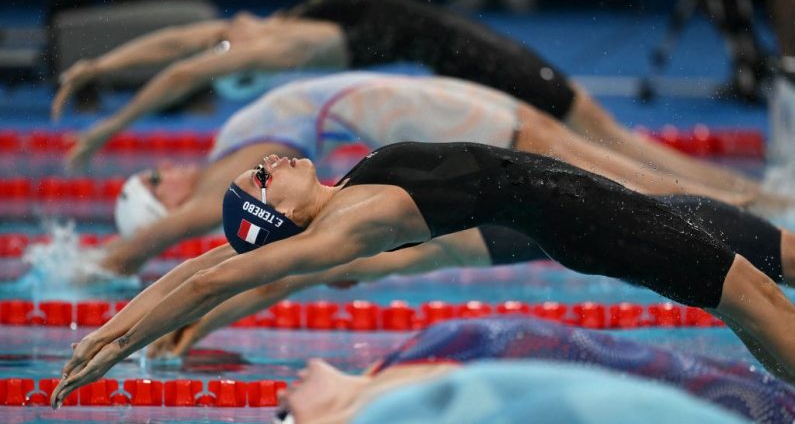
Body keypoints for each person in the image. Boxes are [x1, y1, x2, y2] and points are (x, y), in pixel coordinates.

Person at [50, 142, 795, 408]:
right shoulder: (346, 225)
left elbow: (206, 265)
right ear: (278, 218)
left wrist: (112, 323)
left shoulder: (350, 190)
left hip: (587, 210)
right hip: (598, 222)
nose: (270, 162)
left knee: (751, 305)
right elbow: (218, 281)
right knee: (756, 297)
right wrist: (112, 345)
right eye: (262, 178)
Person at [53, 0, 763, 199]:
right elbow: (177, 49)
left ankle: (752, 200)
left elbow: (181, 71)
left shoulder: (278, 44)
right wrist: (96, 69)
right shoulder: (273, 24)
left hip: (486, 63)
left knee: (616, 147)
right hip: (467, 60)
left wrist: (101, 131)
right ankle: (753, 196)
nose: (222, 52)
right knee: (615, 149)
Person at [101, 72, 760, 276]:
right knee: (661, 195)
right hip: (491, 135)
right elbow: (224, 247)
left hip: (485, 128)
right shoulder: (255, 178)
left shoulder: (263, 166)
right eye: (153, 185)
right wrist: (110, 266)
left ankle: (759, 197)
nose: (164, 168)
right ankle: (762, 198)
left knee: (655, 184)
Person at [146, 193, 794, 359]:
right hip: (669, 224)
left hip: (681, 227)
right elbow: (271, 277)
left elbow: (269, 280)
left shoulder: (370, 237)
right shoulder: (382, 226)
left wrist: (181, 330)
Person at [278, 317, 794, 424]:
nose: (281, 399)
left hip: (666, 372)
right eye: (283, 419)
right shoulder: (393, 414)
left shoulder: (392, 372)